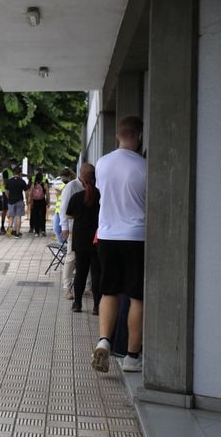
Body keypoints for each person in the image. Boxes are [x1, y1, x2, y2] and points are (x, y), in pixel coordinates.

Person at [91, 116, 146, 374]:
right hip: (136, 236)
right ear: (140, 135)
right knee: (136, 296)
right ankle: (132, 357)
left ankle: (104, 339)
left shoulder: (102, 163)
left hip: (107, 236)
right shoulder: (144, 167)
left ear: (117, 136)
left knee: (110, 291)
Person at [66, 163, 101, 314]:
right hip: (97, 239)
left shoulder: (76, 197)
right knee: (96, 273)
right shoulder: (100, 195)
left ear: (82, 176)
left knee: (80, 271)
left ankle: (77, 303)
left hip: (80, 239)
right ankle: (97, 306)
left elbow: (69, 215)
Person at [59, 168, 85, 300]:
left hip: (88, 228)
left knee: (88, 258)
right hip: (73, 228)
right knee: (71, 256)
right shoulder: (71, 186)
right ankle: (67, 288)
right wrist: (64, 227)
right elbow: (63, 208)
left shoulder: (92, 186)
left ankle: (88, 287)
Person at [4, 167, 28, 238]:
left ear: (14, 173)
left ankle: (9, 232)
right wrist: (26, 199)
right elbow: (26, 192)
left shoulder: (9, 181)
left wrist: (9, 197)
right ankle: (17, 233)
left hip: (11, 201)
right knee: (18, 217)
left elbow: (6, 191)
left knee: (11, 216)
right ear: (20, 173)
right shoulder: (22, 181)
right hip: (19, 201)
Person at [53, 168, 74, 243]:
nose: (62, 179)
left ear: (69, 177)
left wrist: (61, 192)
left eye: (64, 177)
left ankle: (64, 246)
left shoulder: (71, 185)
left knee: (65, 230)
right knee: (56, 229)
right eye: (61, 177)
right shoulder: (62, 185)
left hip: (66, 211)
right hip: (58, 211)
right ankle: (62, 246)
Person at [27, 167, 48, 236]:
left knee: (35, 215)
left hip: (35, 201)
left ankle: (36, 232)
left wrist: (29, 200)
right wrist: (48, 201)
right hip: (42, 200)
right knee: (43, 215)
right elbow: (47, 193)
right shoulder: (45, 182)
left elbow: (30, 192)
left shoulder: (33, 182)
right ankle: (43, 230)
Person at [0, 158, 16, 232]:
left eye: (15, 163)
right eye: (13, 163)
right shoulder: (6, 171)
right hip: (6, 192)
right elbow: (5, 183)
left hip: (11, 192)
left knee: (11, 210)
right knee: (5, 209)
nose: (14, 165)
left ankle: (10, 227)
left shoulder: (12, 172)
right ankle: (2, 226)